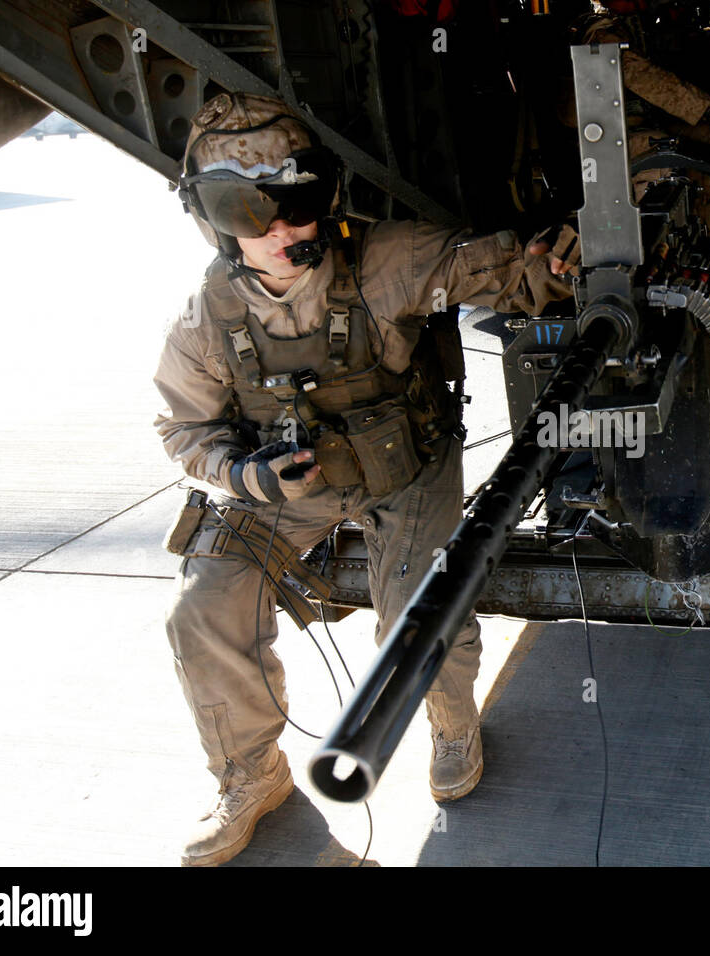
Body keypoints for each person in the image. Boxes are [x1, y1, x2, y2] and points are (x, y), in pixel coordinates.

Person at [154, 92, 577, 866]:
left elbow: (501, 272)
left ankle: (452, 725)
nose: (280, 230)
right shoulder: (206, 318)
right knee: (203, 609)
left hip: (405, 474)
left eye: (297, 202)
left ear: (327, 196)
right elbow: (183, 429)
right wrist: (243, 475)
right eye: (249, 211)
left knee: (413, 620)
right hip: (288, 492)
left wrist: (555, 262)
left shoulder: (388, 261)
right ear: (212, 218)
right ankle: (251, 774)